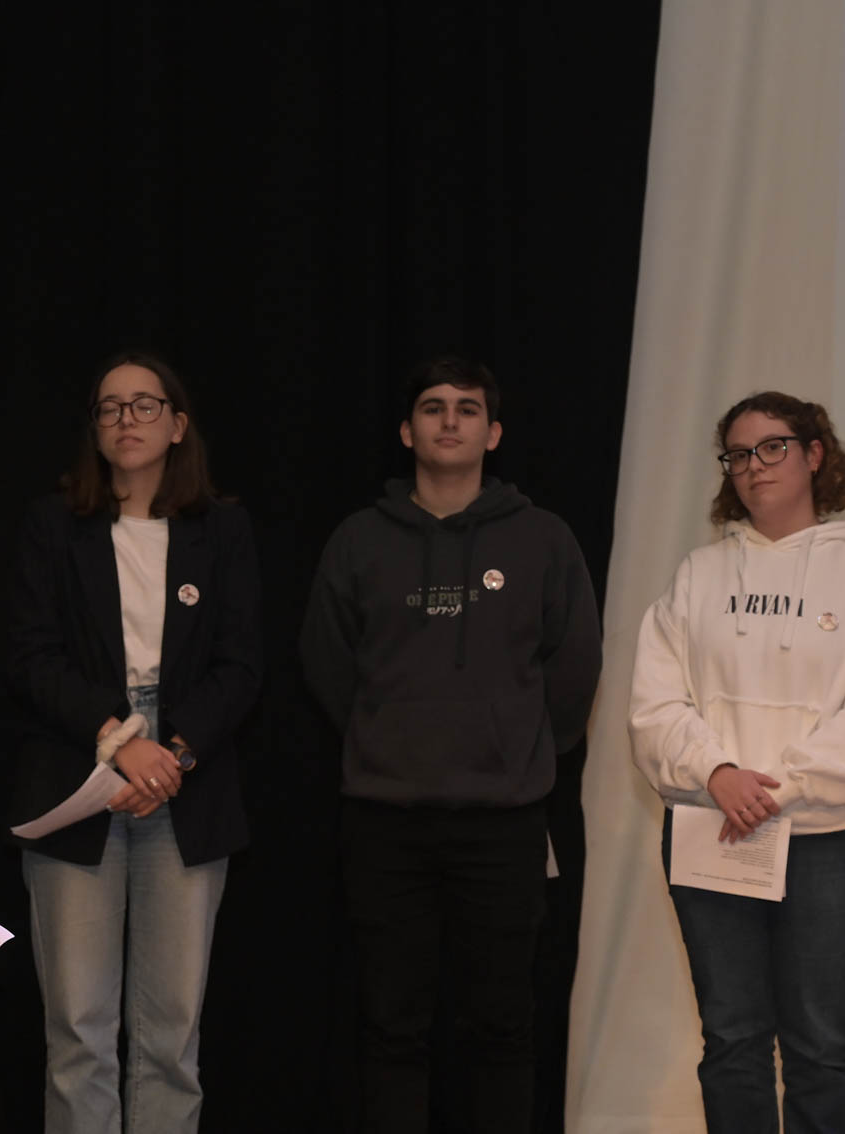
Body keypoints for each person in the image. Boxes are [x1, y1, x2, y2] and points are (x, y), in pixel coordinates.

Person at [299, 355, 602, 1133]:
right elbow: (327, 666)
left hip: (503, 824)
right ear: (407, 431)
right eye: (432, 407)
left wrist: (516, 748)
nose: (448, 421)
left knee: (501, 1025)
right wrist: (387, 738)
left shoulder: (542, 539)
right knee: (390, 1023)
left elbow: (573, 670)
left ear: (492, 433)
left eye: (467, 409)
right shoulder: (359, 540)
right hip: (384, 822)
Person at [628, 391, 845, 1133]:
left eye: (772, 447)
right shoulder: (698, 574)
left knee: (819, 1046)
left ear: (814, 454)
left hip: (826, 842)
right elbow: (655, 702)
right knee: (732, 1042)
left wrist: (778, 788)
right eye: (737, 454)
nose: (754, 465)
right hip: (712, 830)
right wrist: (716, 774)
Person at [6, 351, 262, 1133]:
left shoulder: (222, 528)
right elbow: (30, 656)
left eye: (144, 404)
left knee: (170, 1035)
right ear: (94, 428)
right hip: (76, 768)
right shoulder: (54, 524)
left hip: (187, 778)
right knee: (78, 1030)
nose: (126, 419)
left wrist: (170, 758)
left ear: (177, 425)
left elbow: (241, 665)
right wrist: (121, 741)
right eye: (110, 407)